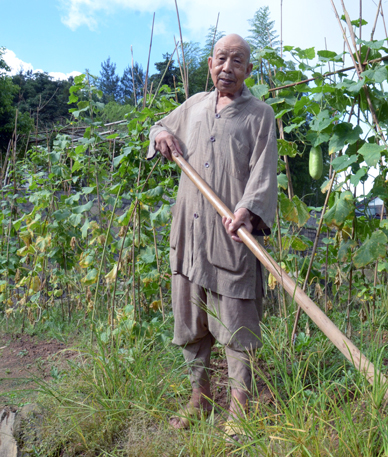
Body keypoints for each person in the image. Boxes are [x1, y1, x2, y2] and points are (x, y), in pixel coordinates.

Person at [146, 33, 277, 434]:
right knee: (190, 319)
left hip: (229, 233)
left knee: (237, 321)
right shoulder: (194, 107)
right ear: (210, 65)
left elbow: (264, 173)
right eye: (221, 59)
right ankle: (199, 397)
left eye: (237, 61)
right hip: (189, 233)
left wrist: (249, 210)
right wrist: (160, 134)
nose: (228, 67)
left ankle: (239, 407)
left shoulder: (259, 114)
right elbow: (158, 128)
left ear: (248, 70)